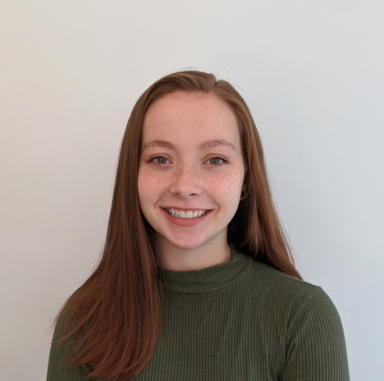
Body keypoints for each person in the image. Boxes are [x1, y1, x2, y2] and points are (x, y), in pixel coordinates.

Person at [47, 70, 350, 381]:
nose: (185, 186)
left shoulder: (302, 317)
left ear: (245, 180)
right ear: (132, 176)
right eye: (160, 159)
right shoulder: (84, 320)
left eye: (215, 159)